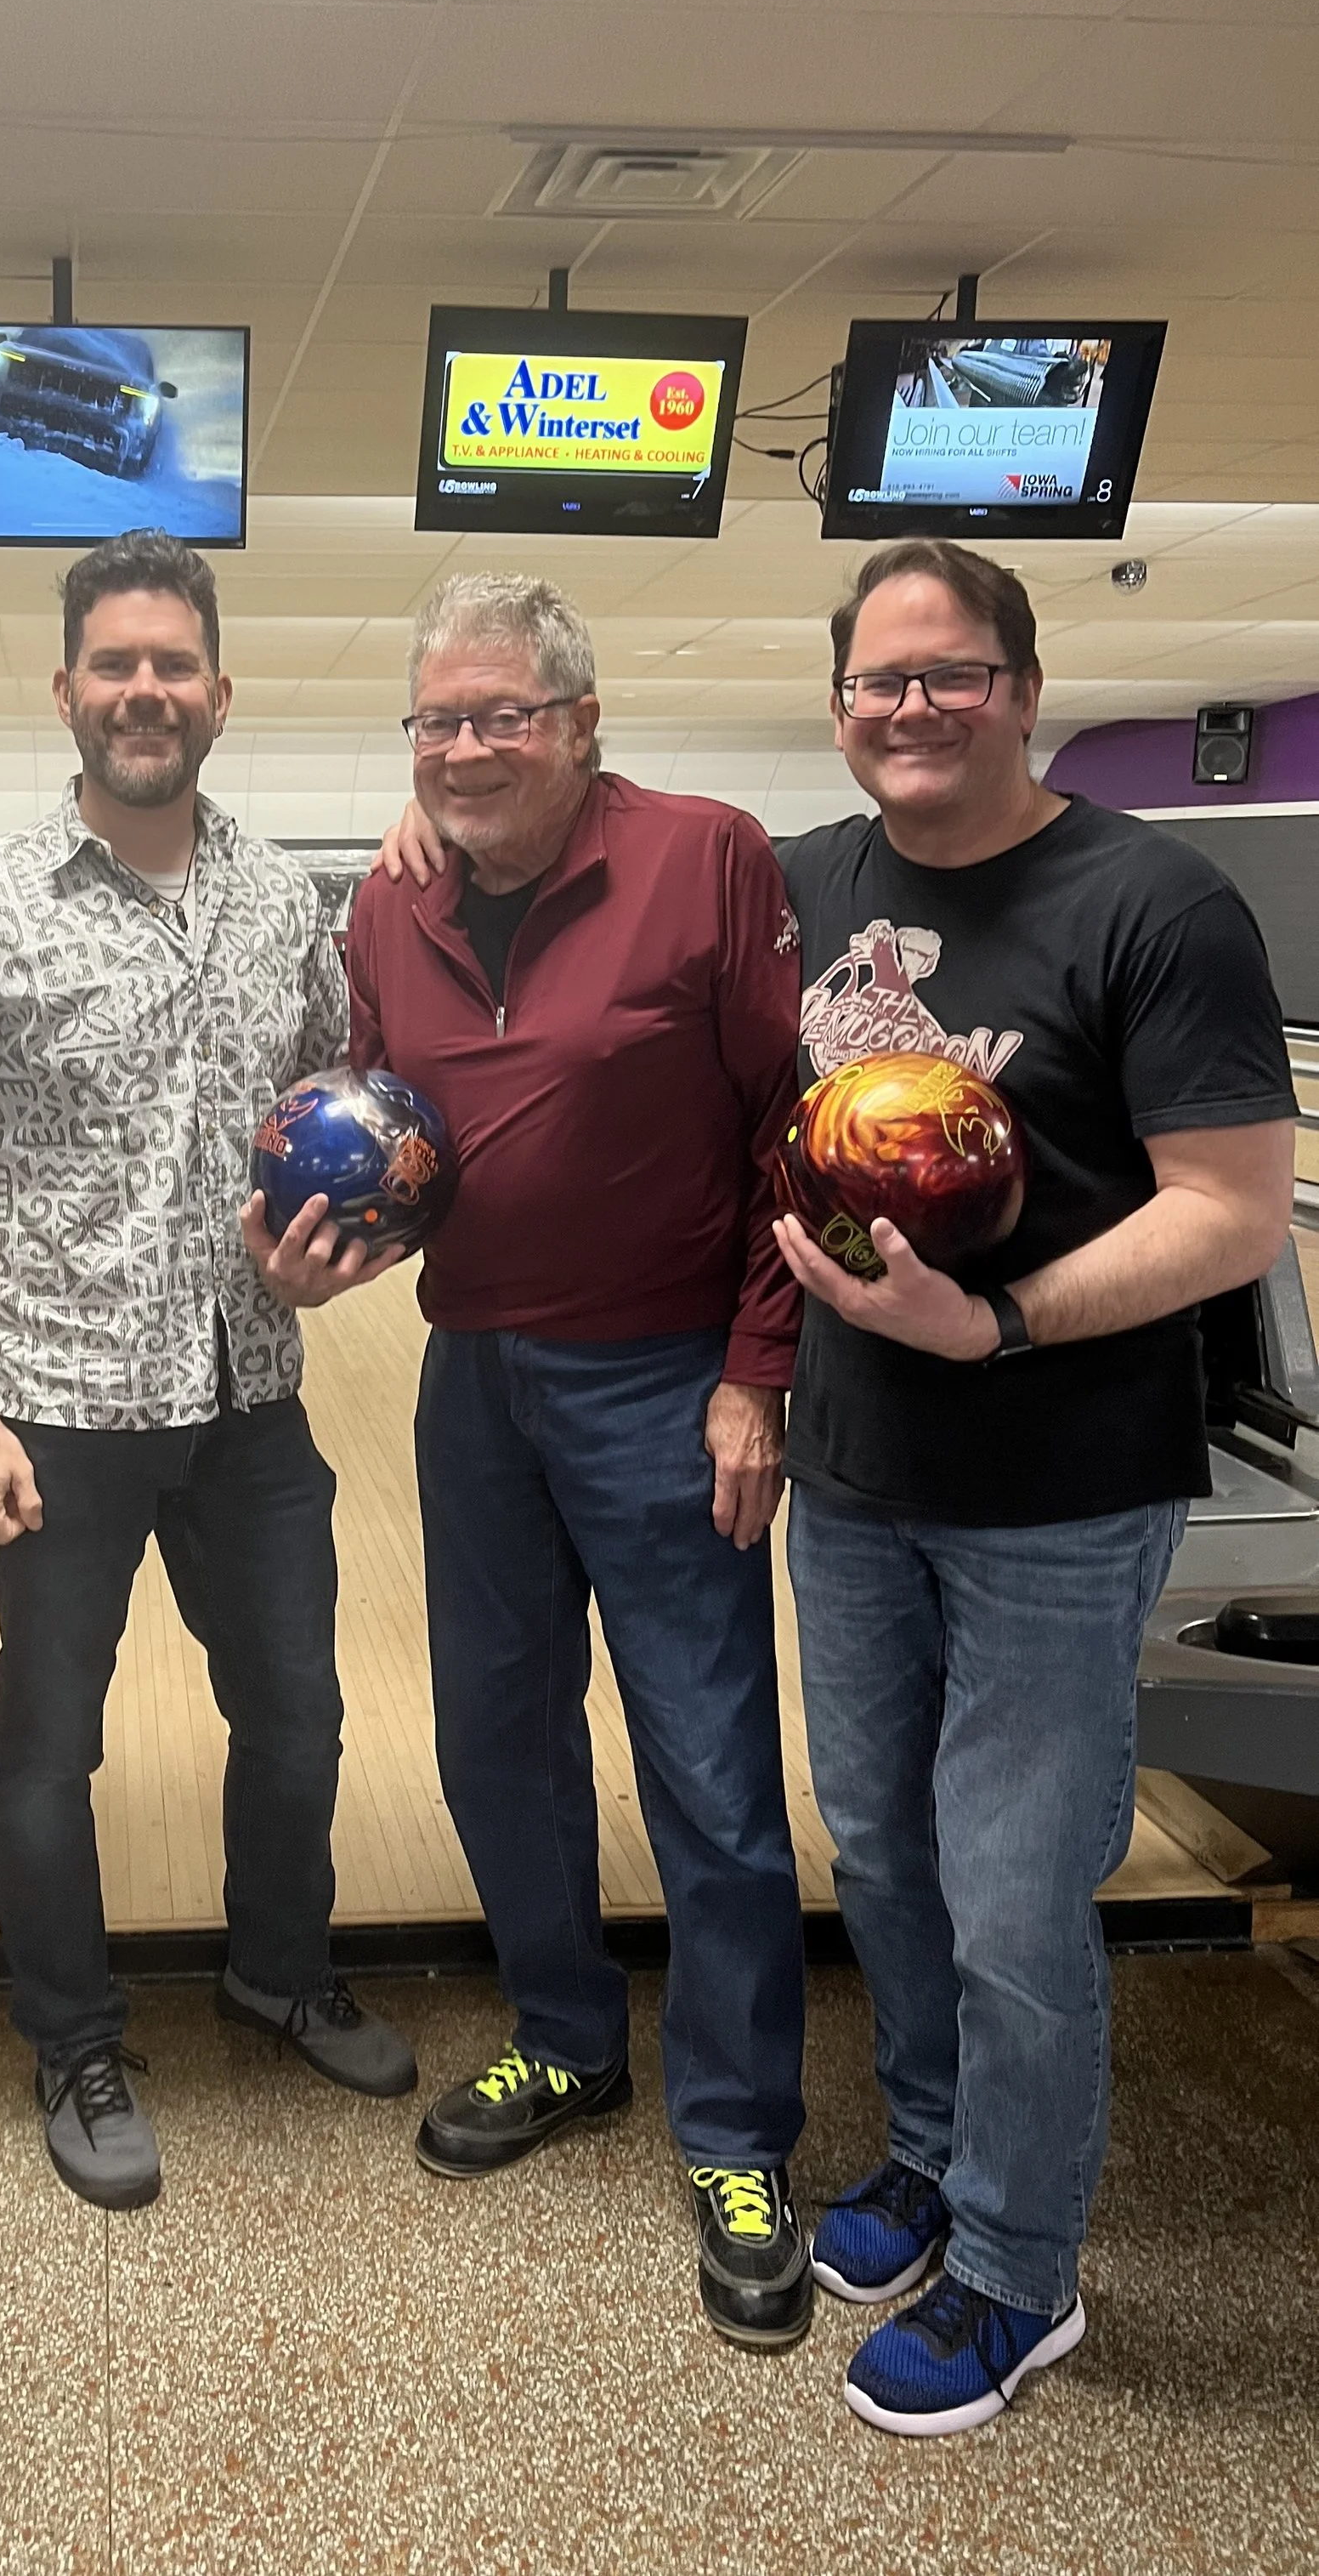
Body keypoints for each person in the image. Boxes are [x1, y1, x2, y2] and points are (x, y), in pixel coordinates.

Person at [773, 539, 1295, 2437]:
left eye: (947, 674)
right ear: (837, 705)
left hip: (1058, 1491)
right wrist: (440, 828)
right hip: (851, 1473)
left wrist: (989, 1329)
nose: (908, 709)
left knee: (1009, 1893)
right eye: (875, 681)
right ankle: (925, 2148)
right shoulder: (802, 883)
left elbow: (1232, 1214)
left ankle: (1013, 2263)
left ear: (1018, 684)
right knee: (888, 1854)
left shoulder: (1151, 898)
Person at [0, 527, 414, 2213]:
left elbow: (346, 1138)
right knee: (45, 1744)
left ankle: (274, 1963)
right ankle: (73, 2035)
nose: (144, 689)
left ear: (218, 693)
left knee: (299, 1721)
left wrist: (342, 1246)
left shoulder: (282, 907)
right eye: (115, 664)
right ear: (66, 690)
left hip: (249, 1404)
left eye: (173, 663)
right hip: (59, 1419)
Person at [349, 573, 813, 2352]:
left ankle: (739, 2134)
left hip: (663, 1380)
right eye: (438, 722)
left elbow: (794, 1129)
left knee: (704, 1763)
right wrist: (334, 1238)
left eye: (501, 717)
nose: (467, 748)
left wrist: (752, 1374)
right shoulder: (389, 905)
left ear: (579, 721)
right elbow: (387, 1137)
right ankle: (562, 2033)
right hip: (472, 1376)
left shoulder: (706, 854)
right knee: (495, 1736)